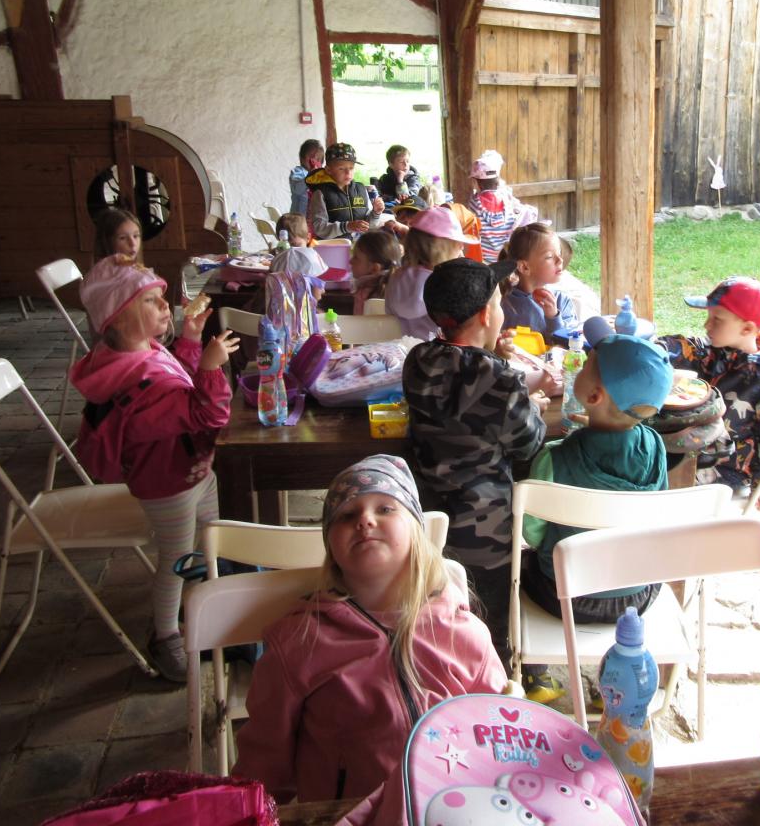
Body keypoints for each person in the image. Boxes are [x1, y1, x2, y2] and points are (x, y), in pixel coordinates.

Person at [232, 455, 506, 803]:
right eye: (346, 515)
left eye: (386, 509)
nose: (365, 519)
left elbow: (503, 734)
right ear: (331, 548)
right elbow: (263, 765)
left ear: (416, 531)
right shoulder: (298, 643)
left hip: (452, 810)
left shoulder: (462, 632)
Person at [70, 255, 239, 682]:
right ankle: (166, 637)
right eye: (151, 300)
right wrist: (210, 368)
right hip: (169, 484)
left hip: (193, 470)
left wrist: (190, 341)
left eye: (162, 297)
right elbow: (206, 414)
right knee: (175, 560)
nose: (166, 305)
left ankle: (202, 607)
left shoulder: (139, 352)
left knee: (211, 539)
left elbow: (176, 377)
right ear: (121, 317)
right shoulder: (138, 382)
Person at [404, 257, 548, 667]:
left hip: (428, 521)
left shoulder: (418, 362)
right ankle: (493, 676)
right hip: (486, 532)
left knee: (439, 607)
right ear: (487, 315)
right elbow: (529, 443)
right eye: (499, 303)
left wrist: (492, 357)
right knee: (488, 617)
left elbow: (457, 380)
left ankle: (436, 666)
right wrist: (531, 404)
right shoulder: (501, 380)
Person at [519, 334, 674, 703]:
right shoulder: (655, 447)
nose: (580, 366)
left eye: (587, 364)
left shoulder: (554, 457)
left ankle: (536, 677)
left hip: (565, 597)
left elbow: (532, 533)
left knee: (517, 565)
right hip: (635, 598)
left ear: (593, 397)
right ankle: (616, 681)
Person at [657, 276, 760, 510]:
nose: (707, 325)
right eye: (708, 316)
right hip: (694, 442)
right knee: (644, 449)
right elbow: (690, 347)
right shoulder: (717, 350)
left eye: (716, 319)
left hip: (725, 466)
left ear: (747, 328)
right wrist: (657, 347)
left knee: (657, 478)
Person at [384, 207, 478, 340]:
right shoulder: (445, 284)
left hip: (395, 349)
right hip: (435, 351)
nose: (462, 247)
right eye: (457, 242)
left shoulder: (397, 276)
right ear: (441, 247)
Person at [498, 223, 578, 337]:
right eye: (549, 256)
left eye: (559, 253)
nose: (560, 260)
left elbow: (572, 342)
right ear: (524, 267)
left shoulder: (562, 301)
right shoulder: (503, 304)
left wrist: (553, 316)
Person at [467, 149, 535, 263]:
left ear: (475, 182)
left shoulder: (474, 204)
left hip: (484, 260)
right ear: (498, 181)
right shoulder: (508, 200)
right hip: (505, 256)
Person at [305, 143, 383, 240]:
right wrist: (347, 226)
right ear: (328, 170)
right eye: (341, 168)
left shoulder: (361, 189)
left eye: (351, 168)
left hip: (359, 245)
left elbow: (369, 225)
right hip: (333, 246)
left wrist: (376, 213)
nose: (348, 173)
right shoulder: (320, 193)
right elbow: (319, 228)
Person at [350, 230, 402, 314]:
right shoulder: (398, 288)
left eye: (356, 257)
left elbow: (358, 321)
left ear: (374, 269)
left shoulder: (364, 295)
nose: (350, 261)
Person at [269, 213, 329, 279]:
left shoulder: (311, 257)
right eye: (285, 246)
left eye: (295, 245)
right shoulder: (277, 259)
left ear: (308, 238)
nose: (291, 251)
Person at [288, 139, 324, 216]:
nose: (313, 160)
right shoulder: (298, 171)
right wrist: (310, 175)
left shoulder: (321, 177)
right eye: (311, 156)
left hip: (313, 218)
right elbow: (297, 189)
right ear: (302, 158)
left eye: (318, 159)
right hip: (297, 218)